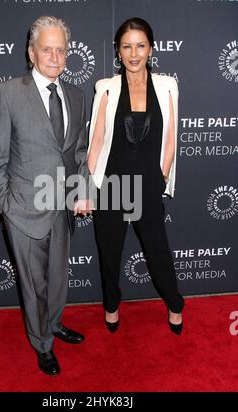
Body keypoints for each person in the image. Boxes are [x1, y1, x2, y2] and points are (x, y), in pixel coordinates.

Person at [0, 16, 91, 376]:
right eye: (46, 49)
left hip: (61, 207)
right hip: (24, 211)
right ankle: (42, 344)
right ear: (32, 53)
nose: (54, 56)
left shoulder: (76, 96)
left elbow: (77, 153)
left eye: (60, 50)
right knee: (34, 286)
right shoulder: (8, 93)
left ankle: (55, 324)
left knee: (58, 278)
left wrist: (80, 192)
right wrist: (5, 205)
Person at [88, 17, 184, 335]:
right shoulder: (106, 87)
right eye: (126, 46)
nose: (133, 53)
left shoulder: (168, 85)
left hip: (148, 182)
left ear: (151, 49)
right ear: (118, 51)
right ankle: (112, 306)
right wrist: (89, 183)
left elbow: (171, 137)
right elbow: (97, 138)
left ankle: (174, 304)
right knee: (110, 251)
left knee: (158, 250)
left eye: (140, 45)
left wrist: (162, 173)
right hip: (112, 183)